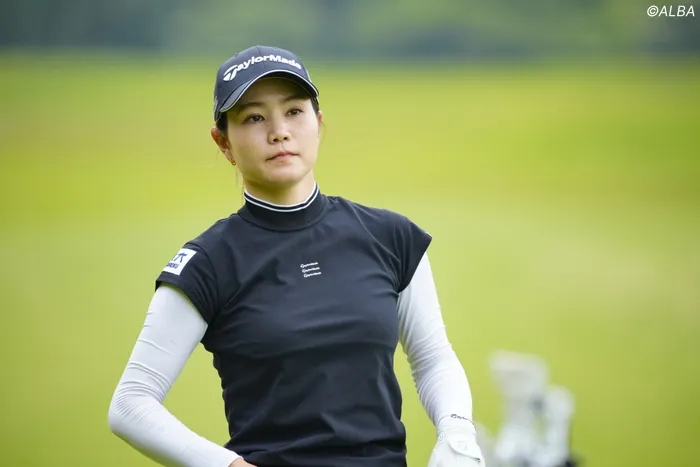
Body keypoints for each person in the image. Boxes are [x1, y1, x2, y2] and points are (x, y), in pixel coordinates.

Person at [108, 44, 485, 467]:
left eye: (294, 111)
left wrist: (457, 434)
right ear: (223, 142)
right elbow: (131, 403)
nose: (279, 132)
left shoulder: (390, 237)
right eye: (254, 117)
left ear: (318, 125)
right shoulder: (208, 263)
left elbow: (432, 358)